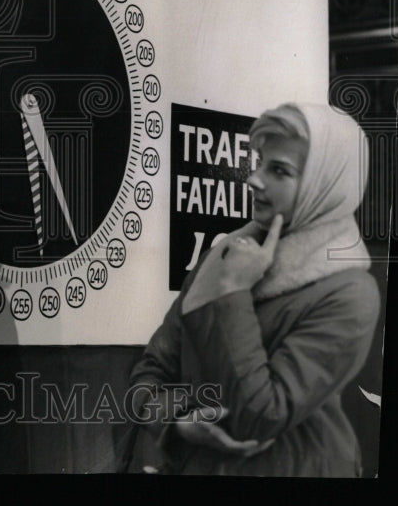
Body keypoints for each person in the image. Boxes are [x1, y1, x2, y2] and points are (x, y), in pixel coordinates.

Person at [118, 102, 380, 477]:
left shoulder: (349, 293)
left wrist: (233, 293)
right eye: (259, 163)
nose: (254, 179)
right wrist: (178, 423)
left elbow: (259, 416)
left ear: (324, 184)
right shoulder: (224, 256)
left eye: (278, 170)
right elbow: (149, 373)